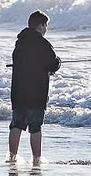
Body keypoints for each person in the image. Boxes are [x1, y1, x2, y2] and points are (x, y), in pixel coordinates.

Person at [8, 10, 60, 162]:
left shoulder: (20, 42)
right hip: (36, 93)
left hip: (18, 92)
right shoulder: (43, 44)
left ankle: (12, 157)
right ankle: (36, 159)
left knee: (16, 125)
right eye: (45, 26)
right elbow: (53, 63)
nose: (46, 29)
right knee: (35, 127)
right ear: (39, 26)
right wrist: (57, 63)